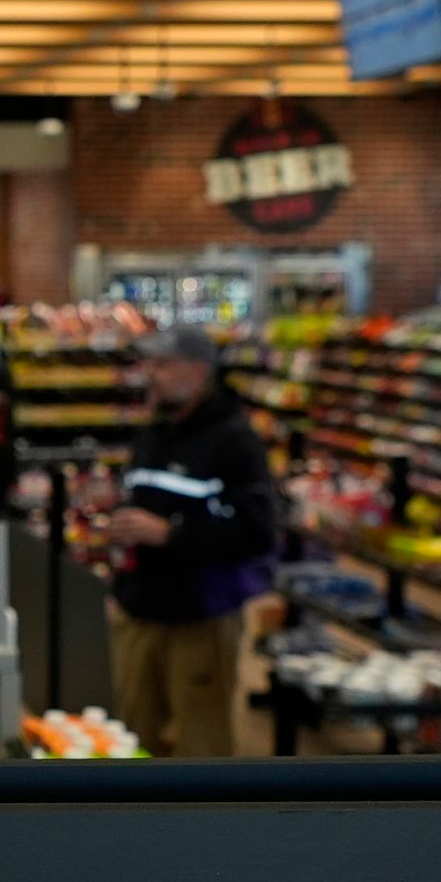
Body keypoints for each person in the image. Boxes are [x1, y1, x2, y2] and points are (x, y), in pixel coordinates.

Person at [100, 324, 276, 758]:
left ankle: (204, 828)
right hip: (140, 612)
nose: (150, 374)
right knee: (134, 742)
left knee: (202, 746)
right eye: (148, 363)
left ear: (197, 373)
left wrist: (171, 534)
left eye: (162, 364)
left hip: (200, 619)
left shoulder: (236, 442)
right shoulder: (153, 434)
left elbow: (258, 531)